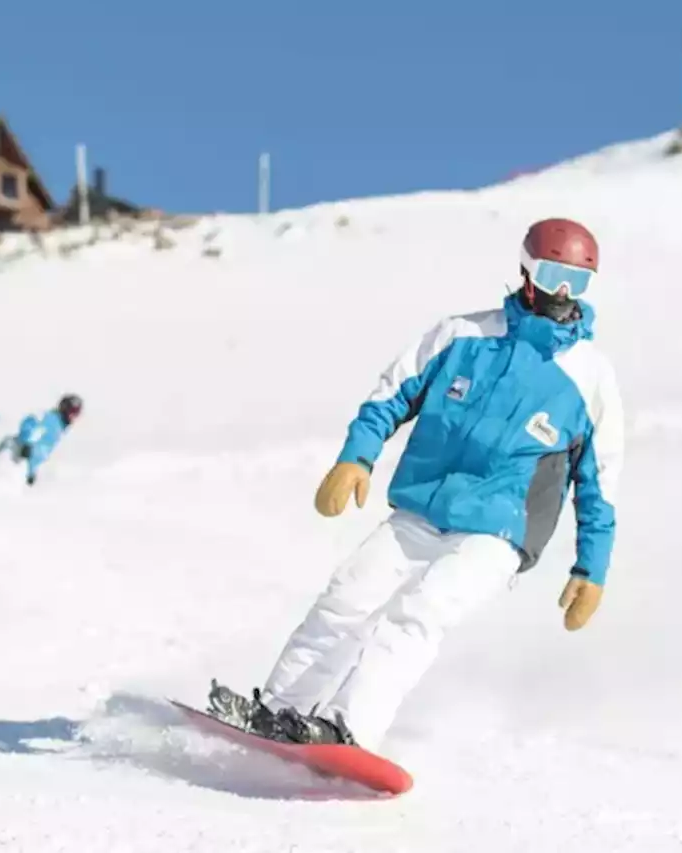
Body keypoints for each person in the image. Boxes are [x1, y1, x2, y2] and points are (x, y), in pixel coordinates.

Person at [206, 218, 625, 752]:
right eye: (552, 274)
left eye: (577, 282)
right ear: (526, 270)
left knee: (421, 612)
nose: (563, 293)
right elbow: (390, 397)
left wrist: (592, 566)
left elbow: (600, 482)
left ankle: (346, 728)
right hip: (423, 507)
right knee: (347, 599)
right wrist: (356, 457)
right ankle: (279, 710)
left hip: (499, 529)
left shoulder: (591, 377)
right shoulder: (461, 335)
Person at [0, 393, 84, 490]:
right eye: (72, 411)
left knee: (9, 487)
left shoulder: (59, 427)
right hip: (16, 451)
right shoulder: (49, 418)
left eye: (77, 413)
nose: (74, 416)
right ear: (64, 408)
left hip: (22, 461)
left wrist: (31, 473)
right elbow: (30, 422)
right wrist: (26, 443)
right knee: (1, 484)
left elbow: (39, 453)